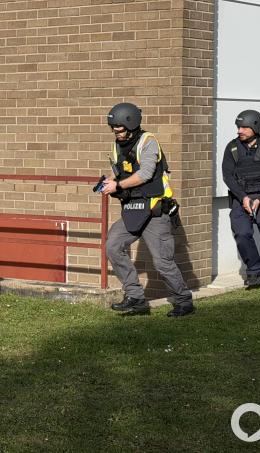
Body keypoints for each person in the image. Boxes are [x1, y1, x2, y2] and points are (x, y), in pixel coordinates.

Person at [101, 102, 195, 317]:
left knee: (163, 262)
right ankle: (135, 298)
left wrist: (119, 185)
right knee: (113, 246)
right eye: (113, 128)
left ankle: (183, 301)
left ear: (132, 125)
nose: (117, 133)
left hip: (155, 210)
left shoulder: (148, 141)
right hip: (133, 209)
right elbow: (123, 173)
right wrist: (111, 181)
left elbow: (145, 174)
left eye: (120, 129)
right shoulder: (117, 146)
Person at [222, 110, 260, 292]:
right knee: (241, 234)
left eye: (243, 127)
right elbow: (228, 176)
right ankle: (254, 272)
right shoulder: (232, 148)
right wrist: (243, 198)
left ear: (256, 127)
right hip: (241, 198)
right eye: (238, 127)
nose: (239, 130)